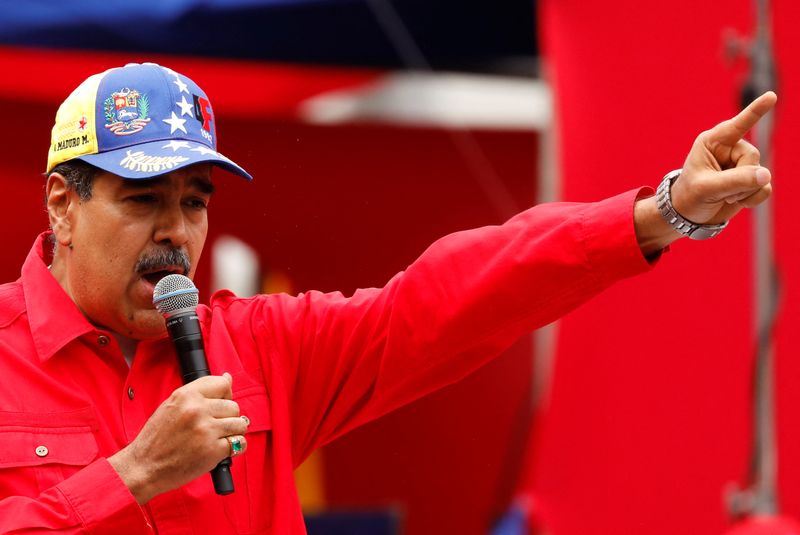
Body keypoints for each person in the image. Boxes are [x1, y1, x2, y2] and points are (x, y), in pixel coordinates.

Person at [0, 62, 776, 533]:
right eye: (144, 200)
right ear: (63, 203)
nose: (176, 231)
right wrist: (131, 474)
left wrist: (659, 213)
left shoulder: (259, 347)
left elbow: (444, 301)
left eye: (195, 201)